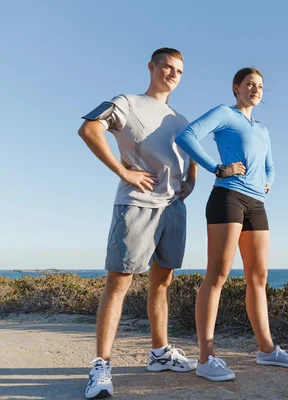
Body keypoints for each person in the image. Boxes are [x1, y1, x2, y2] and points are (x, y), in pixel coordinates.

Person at [78, 48, 198, 399]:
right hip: (136, 205)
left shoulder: (180, 118)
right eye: (167, 67)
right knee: (119, 283)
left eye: (179, 70)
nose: (173, 73)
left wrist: (190, 180)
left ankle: (160, 354)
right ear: (152, 67)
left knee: (162, 283)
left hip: (173, 209)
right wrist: (123, 170)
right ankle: (101, 365)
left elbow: (189, 154)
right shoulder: (127, 102)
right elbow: (89, 129)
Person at [175, 67, 288, 382]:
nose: (256, 90)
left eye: (259, 86)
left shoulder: (262, 129)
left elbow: (270, 166)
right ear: (236, 87)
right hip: (227, 197)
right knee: (217, 275)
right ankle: (206, 357)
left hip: (256, 204)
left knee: (258, 277)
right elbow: (186, 136)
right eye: (250, 84)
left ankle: (267, 350)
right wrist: (217, 168)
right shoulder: (224, 114)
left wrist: (267, 182)